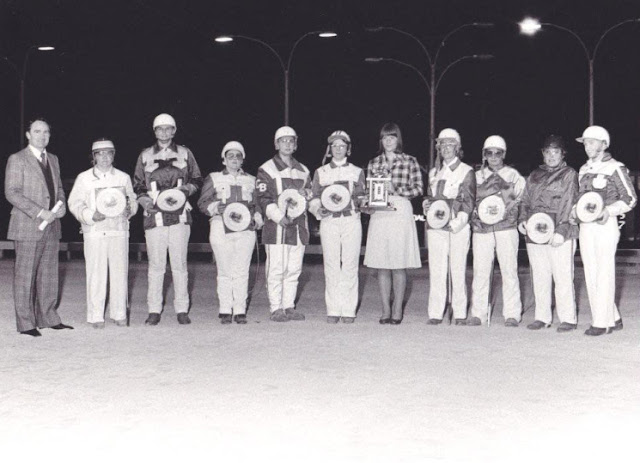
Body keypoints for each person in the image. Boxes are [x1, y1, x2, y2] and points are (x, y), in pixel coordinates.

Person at [4, 118, 73, 336]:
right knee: (25, 275)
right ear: (28, 135)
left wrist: (61, 206)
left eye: (46, 132)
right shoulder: (17, 159)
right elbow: (12, 192)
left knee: (49, 274)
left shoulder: (53, 159)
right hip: (27, 224)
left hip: (52, 225)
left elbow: (59, 188)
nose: (42, 136)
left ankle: (49, 317)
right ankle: (26, 323)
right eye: (37, 131)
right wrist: (38, 211)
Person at [133, 113, 203, 325]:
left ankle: (182, 308)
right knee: (156, 265)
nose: (164, 132)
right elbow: (137, 186)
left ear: (174, 131)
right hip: (155, 216)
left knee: (180, 264)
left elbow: (197, 179)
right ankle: (154, 309)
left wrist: (185, 190)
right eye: (159, 129)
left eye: (168, 128)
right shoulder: (145, 155)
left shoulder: (185, 152)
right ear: (155, 132)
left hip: (180, 213)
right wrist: (146, 202)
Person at [573, 126, 637, 336]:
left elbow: (630, 198)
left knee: (603, 272)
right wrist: (575, 211)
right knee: (591, 271)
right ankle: (614, 317)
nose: (587, 146)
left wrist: (609, 211)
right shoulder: (584, 169)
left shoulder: (615, 167)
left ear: (604, 144)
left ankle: (602, 322)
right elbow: (580, 198)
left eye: (591, 142)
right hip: (586, 226)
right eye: (585, 143)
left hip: (605, 225)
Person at [68, 139, 138, 328]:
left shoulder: (123, 177)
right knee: (96, 274)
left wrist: (129, 209)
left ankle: (119, 313)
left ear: (114, 155)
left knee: (119, 273)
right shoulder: (84, 178)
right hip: (95, 233)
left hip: (118, 231)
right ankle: (96, 315)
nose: (105, 157)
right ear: (93, 157)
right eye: (100, 153)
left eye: (109, 153)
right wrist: (90, 215)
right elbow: (75, 203)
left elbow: (132, 200)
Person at [198, 141, 264, 324]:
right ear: (224, 159)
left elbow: (258, 205)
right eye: (230, 156)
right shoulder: (214, 177)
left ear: (243, 159)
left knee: (242, 270)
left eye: (238, 156)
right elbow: (202, 203)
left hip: (245, 230)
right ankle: (225, 308)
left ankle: (240, 309)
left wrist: (257, 219)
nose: (234, 159)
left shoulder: (251, 180)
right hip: (221, 227)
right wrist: (215, 208)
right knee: (225, 269)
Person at [518, 135, 579, 332]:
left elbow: (569, 202)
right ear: (542, 154)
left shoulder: (569, 174)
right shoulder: (534, 174)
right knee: (540, 274)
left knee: (562, 276)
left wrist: (562, 230)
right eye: (547, 152)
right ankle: (542, 316)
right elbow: (525, 200)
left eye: (556, 152)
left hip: (559, 230)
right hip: (536, 231)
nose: (551, 156)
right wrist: (522, 219)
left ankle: (567, 318)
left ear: (563, 154)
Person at [363, 123, 423, 324]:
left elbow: (418, 189)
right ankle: (385, 309)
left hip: (400, 210)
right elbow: (368, 191)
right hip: (380, 213)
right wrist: (367, 204)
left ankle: (397, 309)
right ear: (381, 141)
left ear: (398, 139)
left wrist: (395, 188)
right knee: (382, 264)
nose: (388, 141)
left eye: (392, 137)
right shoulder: (373, 163)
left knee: (398, 264)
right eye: (384, 138)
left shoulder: (410, 161)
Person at [468, 135, 526, 327]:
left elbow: (522, 200)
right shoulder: (476, 176)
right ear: (484, 155)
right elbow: (468, 200)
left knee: (509, 270)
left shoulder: (513, 175)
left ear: (504, 154)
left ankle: (512, 314)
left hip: (506, 228)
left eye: (497, 153)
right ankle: (478, 313)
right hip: (482, 229)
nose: (493, 157)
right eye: (489, 153)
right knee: (481, 271)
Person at [309, 130, 366, 324]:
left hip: (351, 219)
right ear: (330, 148)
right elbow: (314, 197)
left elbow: (361, 196)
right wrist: (318, 210)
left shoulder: (357, 171)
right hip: (330, 221)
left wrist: (365, 203)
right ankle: (333, 308)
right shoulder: (321, 171)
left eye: (342, 146)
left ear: (348, 149)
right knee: (332, 264)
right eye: (335, 146)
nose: (338, 149)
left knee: (350, 263)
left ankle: (349, 309)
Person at [256, 126, 312, 322]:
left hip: (298, 227)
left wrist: (309, 195)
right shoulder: (266, 169)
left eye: (291, 141)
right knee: (277, 268)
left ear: (295, 144)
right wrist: (278, 216)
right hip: (277, 226)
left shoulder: (303, 170)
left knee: (294, 268)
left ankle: (289, 306)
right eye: (283, 141)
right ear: (276, 144)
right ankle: (275, 307)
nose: (287, 144)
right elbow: (262, 197)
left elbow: (309, 195)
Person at [422, 128, 476, 325]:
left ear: (458, 147)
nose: (446, 148)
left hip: (456, 226)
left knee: (458, 269)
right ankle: (436, 312)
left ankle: (460, 312)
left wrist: (457, 223)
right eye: (442, 144)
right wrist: (426, 204)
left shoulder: (466, 171)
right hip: (436, 226)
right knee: (436, 269)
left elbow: (468, 201)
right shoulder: (434, 172)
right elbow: (430, 196)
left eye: (450, 144)